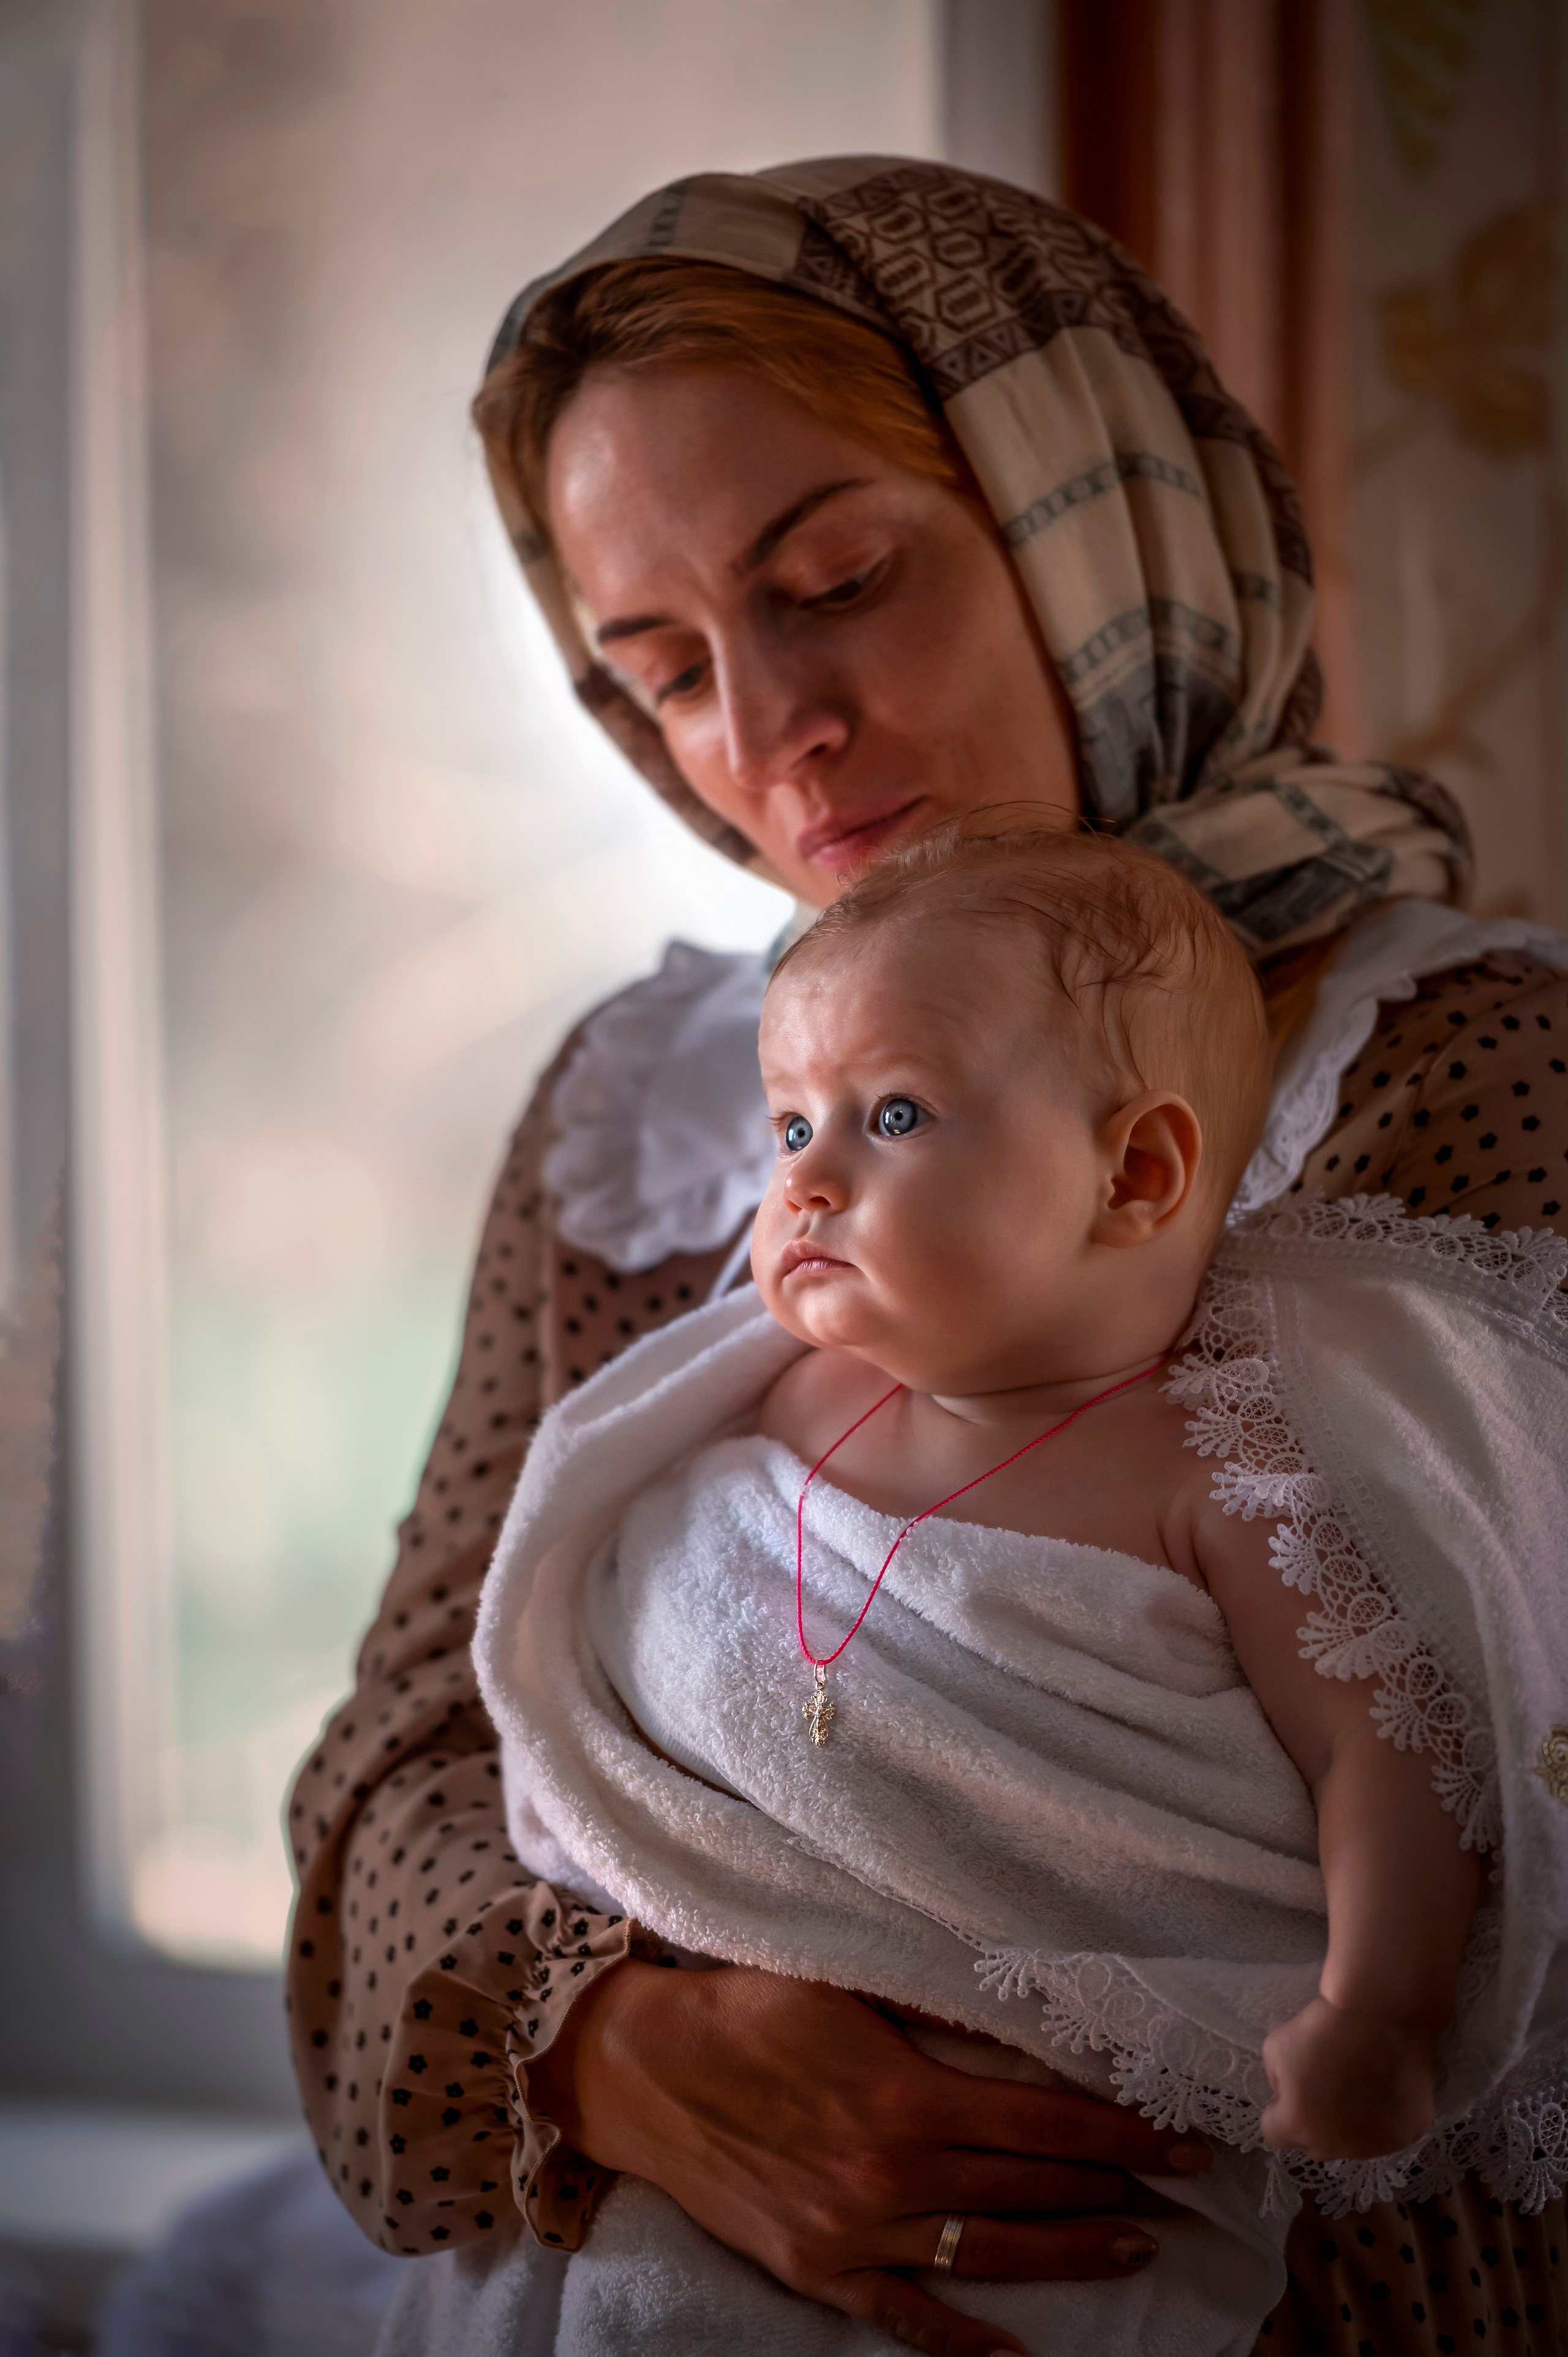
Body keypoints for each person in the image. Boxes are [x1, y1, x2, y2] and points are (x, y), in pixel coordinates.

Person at [285, 160, 1568, 2355]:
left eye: (842, 578)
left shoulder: (1485, 1071)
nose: (771, 728)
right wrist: (620, 2052)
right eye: (664, 666)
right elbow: (390, 1782)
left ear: (1099, 525)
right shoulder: (657, 1109)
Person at [409, 819, 1564, 2357]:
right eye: (787, 1125)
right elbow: (628, 1624)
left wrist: (1374, 2011)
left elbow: (1386, 1750)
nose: (808, 1178)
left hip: (1050, 2133)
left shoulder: (1213, 1469)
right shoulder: (773, 1401)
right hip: (731, 2098)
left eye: (891, 1113)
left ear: (1131, 1173)